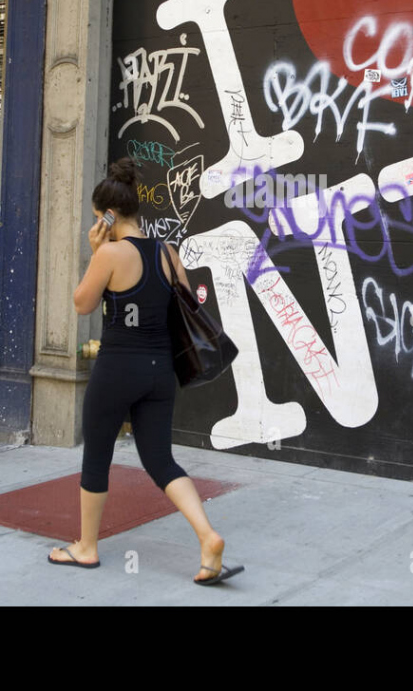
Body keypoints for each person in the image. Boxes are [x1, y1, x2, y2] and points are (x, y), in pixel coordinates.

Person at [48, 157, 243, 586]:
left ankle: (86, 547)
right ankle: (208, 538)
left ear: (108, 215)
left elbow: (82, 303)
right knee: (159, 459)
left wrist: (96, 252)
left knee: (97, 454)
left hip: (118, 367)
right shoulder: (168, 253)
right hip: (160, 373)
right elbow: (186, 305)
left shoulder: (111, 253)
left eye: (99, 216)